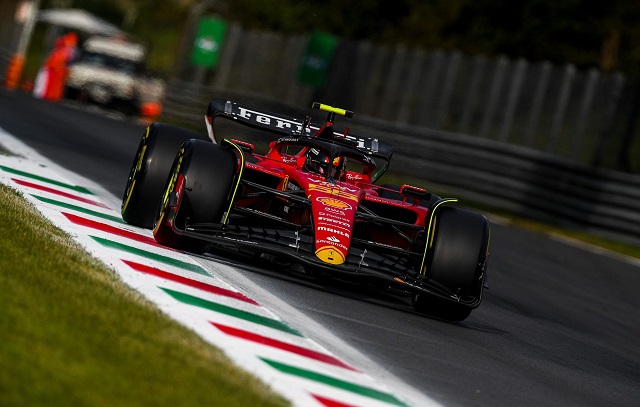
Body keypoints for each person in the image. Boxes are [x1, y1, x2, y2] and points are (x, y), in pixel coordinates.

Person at [34, 32, 78, 101]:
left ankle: (52, 95)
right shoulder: (62, 50)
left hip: (58, 70)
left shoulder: (68, 50)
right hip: (54, 69)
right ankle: (50, 95)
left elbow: (69, 60)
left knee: (55, 84)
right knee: (50, 83)